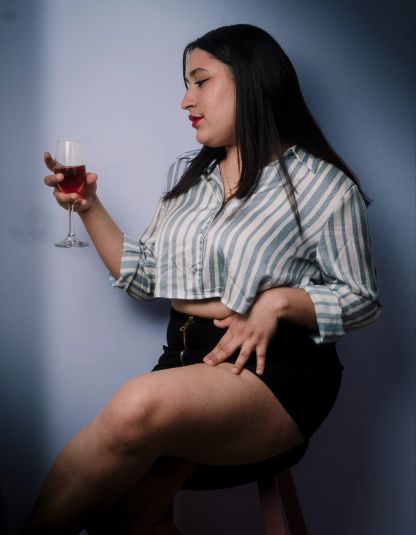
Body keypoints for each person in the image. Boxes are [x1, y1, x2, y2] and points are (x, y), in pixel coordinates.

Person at [20, 24, 381, 534]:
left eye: (200, 81)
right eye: (186, 84)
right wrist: (89, 207)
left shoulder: (325, 186)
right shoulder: (186, 174)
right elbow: (146, 278)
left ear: (252, 81)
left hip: (273, 372)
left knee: (136, 404)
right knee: (121, 518)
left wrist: (278, 302)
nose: (186, 99)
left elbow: (361, 299)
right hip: (185, 360)